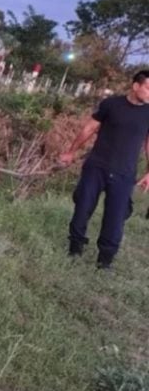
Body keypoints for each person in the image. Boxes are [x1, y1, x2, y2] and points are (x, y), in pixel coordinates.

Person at [59, 70, 149, 269]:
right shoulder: (111, 104)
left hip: (125, 173)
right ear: (136, 86)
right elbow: (89, 129)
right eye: (148, 88)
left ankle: (105, 260)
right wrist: (71, 152)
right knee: (82, 207)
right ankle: (75, 248)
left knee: (115, 218)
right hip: (96, 167)